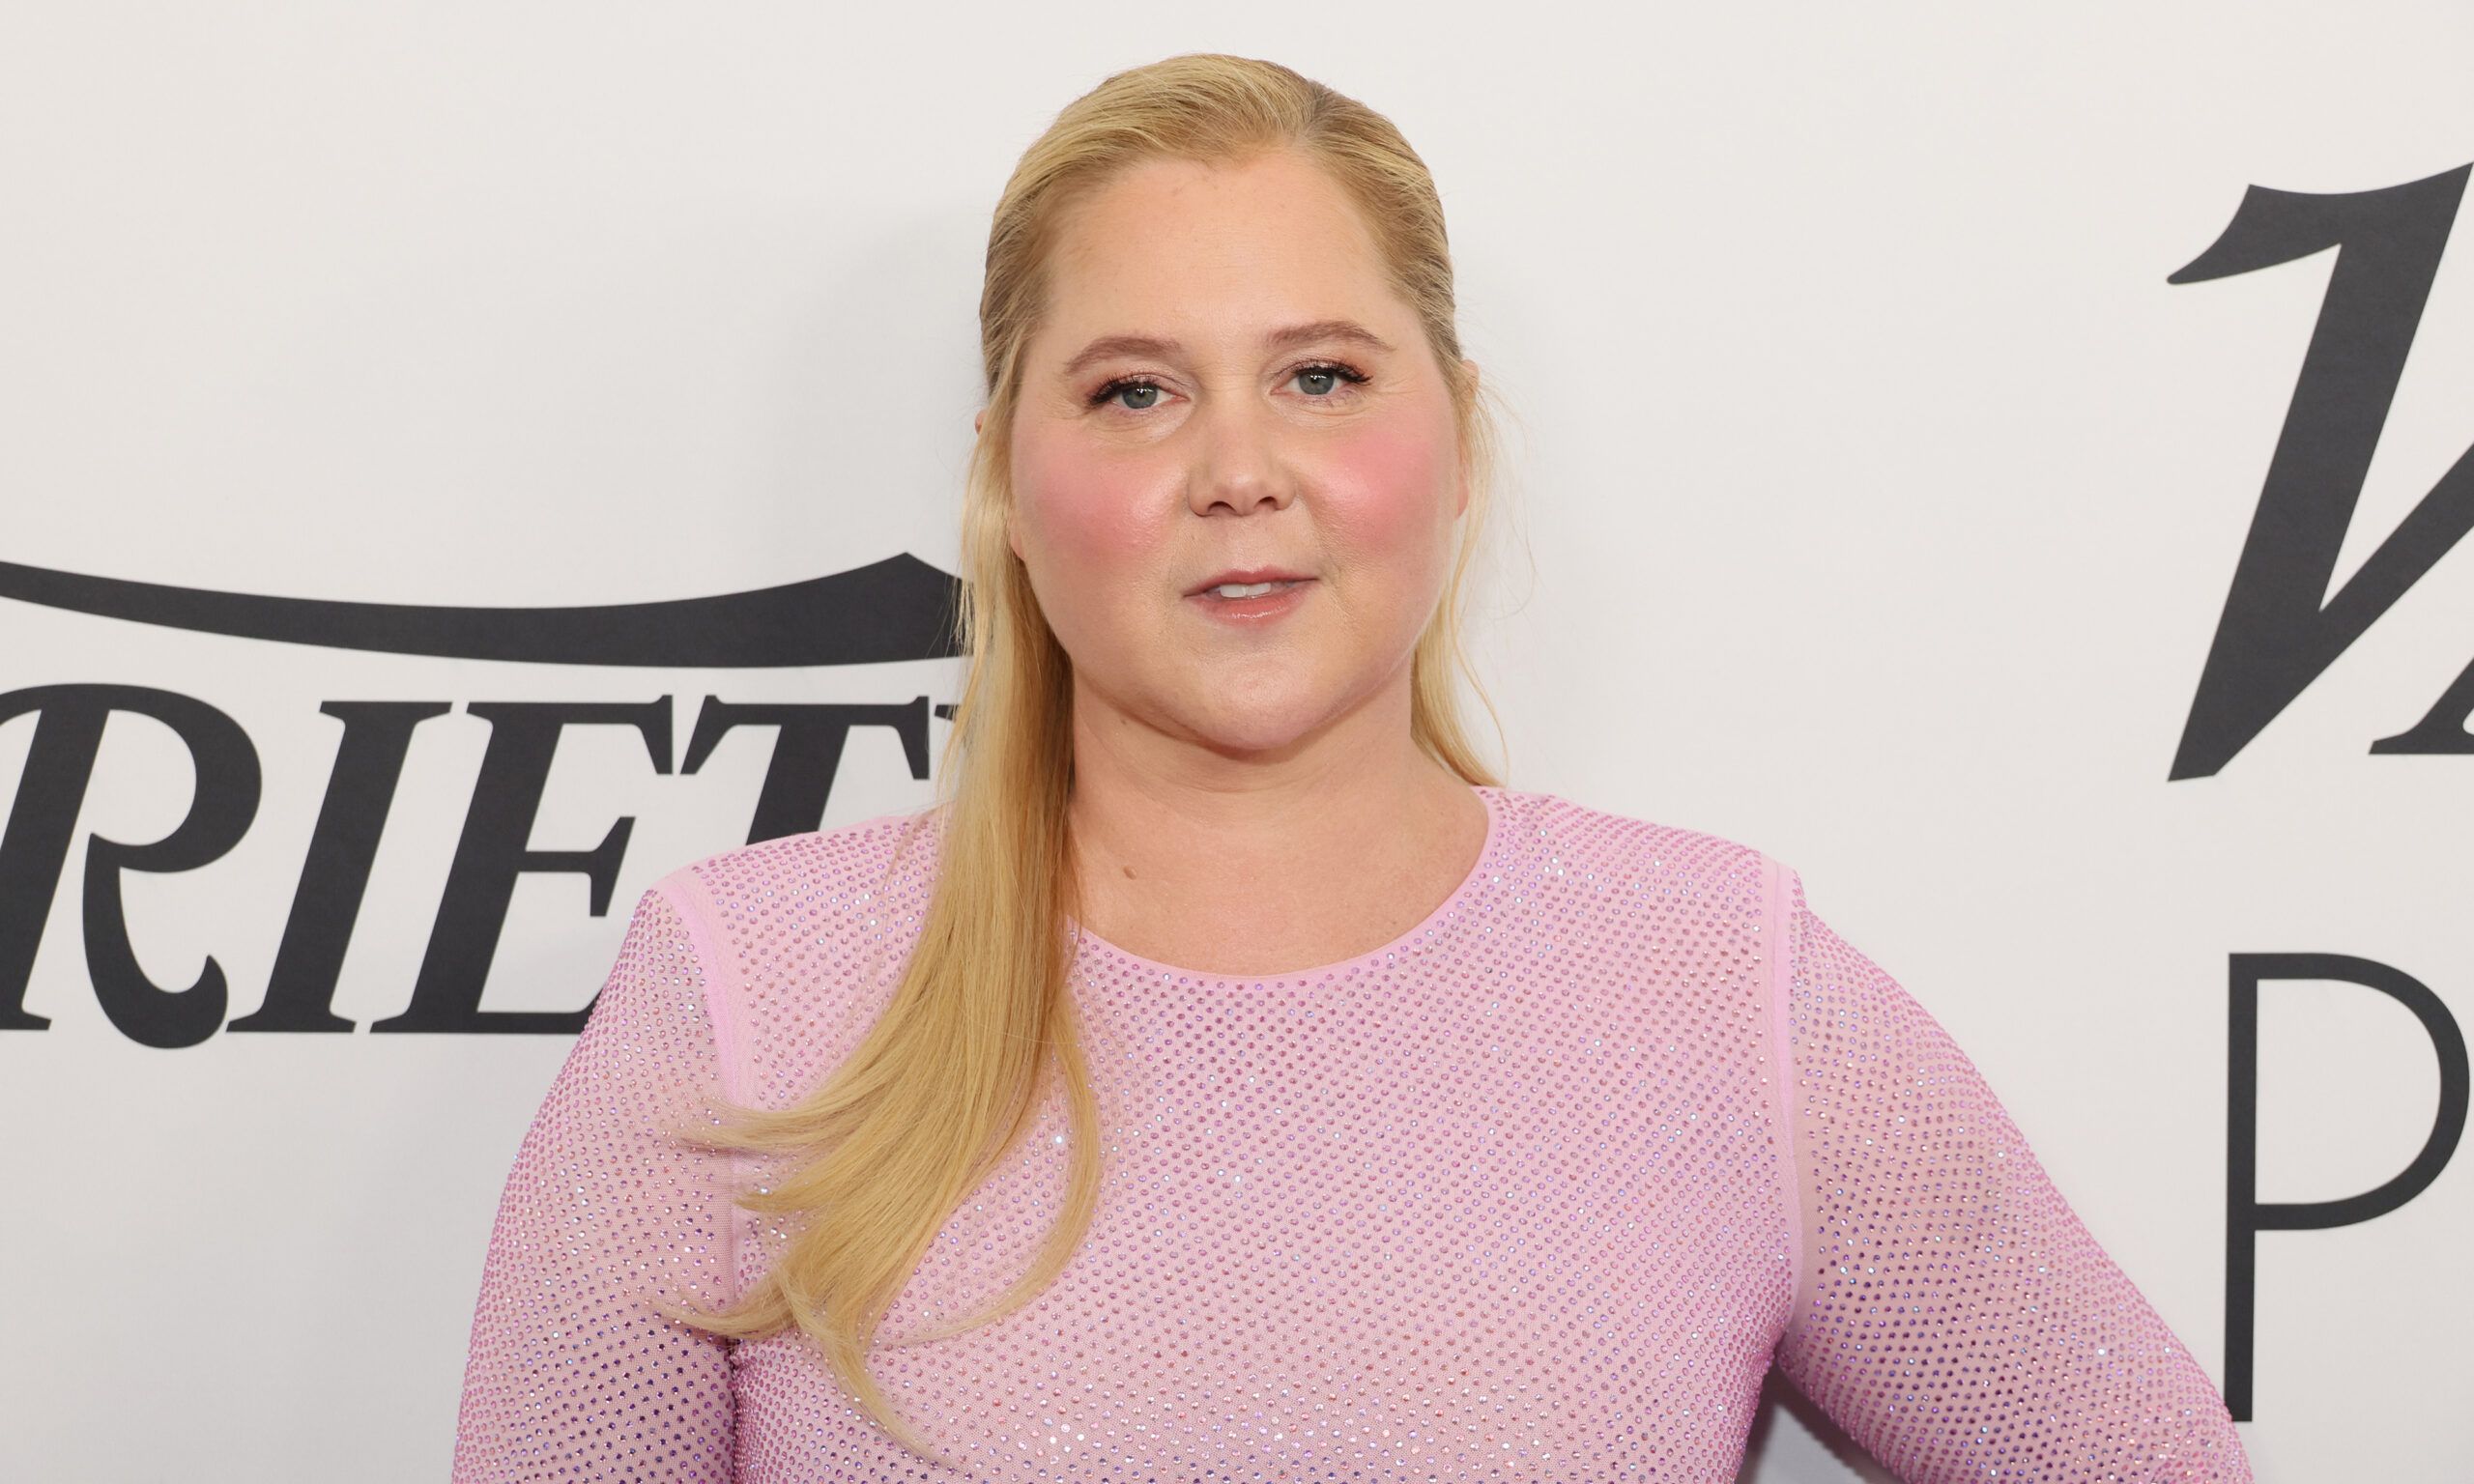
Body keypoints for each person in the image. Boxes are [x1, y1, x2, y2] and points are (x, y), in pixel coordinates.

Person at [449, 52, 2253, 1483]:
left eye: (1319, 375)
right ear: (1005, 476)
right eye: (1136, 391)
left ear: (1455, 437)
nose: (1241, 466)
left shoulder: (1719, 987)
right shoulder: (750, 1006)